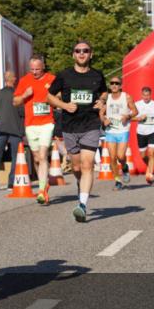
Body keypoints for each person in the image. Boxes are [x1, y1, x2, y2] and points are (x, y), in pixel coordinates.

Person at [47, 40, 107, 222]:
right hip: (70, 126)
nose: (82, 53)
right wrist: (64, 105)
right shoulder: (64, 76)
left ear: (91, 54)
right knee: (76, 167)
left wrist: (102, 101)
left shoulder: (97, 75)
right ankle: (81, 186)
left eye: (85, 51)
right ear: (73, 54)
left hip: (90, 125)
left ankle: (82, 205)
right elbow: (49, 96)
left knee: (88, 165)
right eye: (78, 51)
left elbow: (103, 92)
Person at [13, 56, 56, 204]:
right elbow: (15, 101)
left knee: (43, 156)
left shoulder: (52, 79)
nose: (35, 72)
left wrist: (55, 97)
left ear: (43, 66)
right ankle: (44, 183)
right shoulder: (25, 80)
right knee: (37, 158)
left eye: (37, 69)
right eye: (32, 69)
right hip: (30, 124)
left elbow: (61, 95)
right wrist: (25, 95)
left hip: (47, 123)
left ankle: (42, 190)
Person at [100, 76, 138, 191]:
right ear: (110, 85)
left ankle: (125, 168)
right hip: (111, 131)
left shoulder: (126, 97)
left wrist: (128, 116)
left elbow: (136, 111)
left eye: (117, 83)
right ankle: (117, 180)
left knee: (120, 156)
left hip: (123, 130)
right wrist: (104, 120)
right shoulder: (107, 98)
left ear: (120, 86)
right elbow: (101, 113)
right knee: (112, 158)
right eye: (112, 83)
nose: (114, 85)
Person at [0, 71, 23, 191]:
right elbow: (22, 112)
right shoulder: (18, 94)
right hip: (15, 129)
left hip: (1, 128)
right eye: (15, 76)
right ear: (13, 79)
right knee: (16, 157)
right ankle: (11, 183)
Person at [133, 86, 154, 184]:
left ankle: (150, 174)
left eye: (148, 95)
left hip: (153, 131)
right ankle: (150, 166)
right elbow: (130, 117)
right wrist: (138, 118)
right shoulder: (137, 104)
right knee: (143, 156)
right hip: (141, 132)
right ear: (142, 95)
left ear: (150, 95)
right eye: (144, 95)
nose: (146, 97)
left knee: (151, 153)